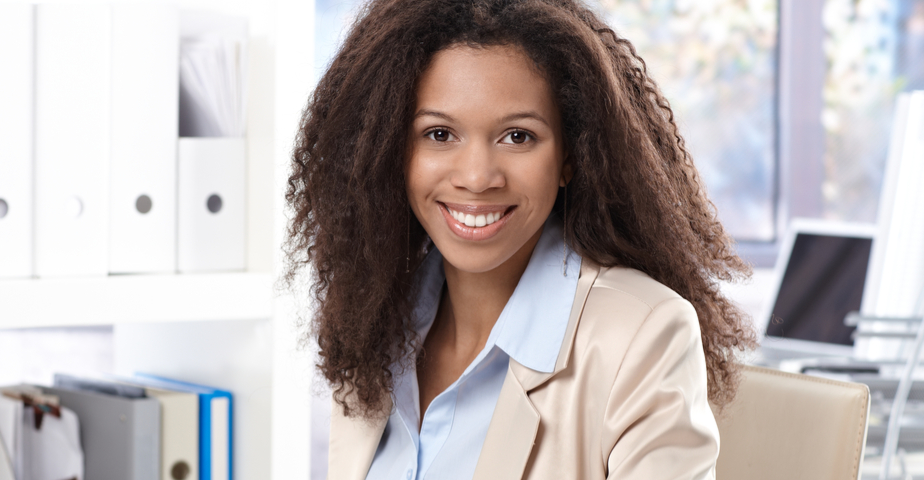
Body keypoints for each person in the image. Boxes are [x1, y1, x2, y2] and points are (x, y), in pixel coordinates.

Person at [284, 0, 759, 478]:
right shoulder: (374, 318)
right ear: (389, 148)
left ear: (572, 156)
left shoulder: (642, 334)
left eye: (517, 137)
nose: (476, 176)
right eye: (440, 133)